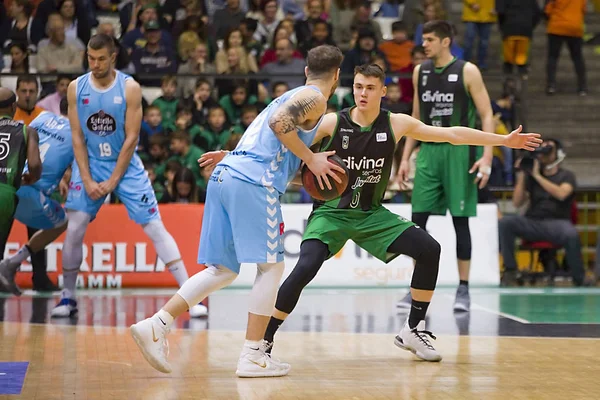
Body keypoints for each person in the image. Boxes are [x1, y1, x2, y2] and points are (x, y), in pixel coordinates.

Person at [198, 63, 541, 364]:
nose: (362, 93)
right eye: (358, 86)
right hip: (332, 213)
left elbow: (450, 134)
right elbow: (280, 147)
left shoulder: (397, 123)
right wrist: (233, 155)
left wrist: (500, 141)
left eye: (370, 88)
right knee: (304, 267)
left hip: (373, 215)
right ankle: (265, 339)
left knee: (430, 249)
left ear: (383, 91)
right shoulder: (333, 121)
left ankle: (411, 330)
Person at [129, 44, 346, 378]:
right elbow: (278, 124)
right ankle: (253, 354)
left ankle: (156, 325)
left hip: (227, 173)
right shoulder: (315, 97)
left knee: (223, 270)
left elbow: (268, 135)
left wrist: (232, 154)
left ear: (305, 69)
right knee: (272, 268)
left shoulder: (290, 94)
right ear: (337, 75)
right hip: (252, 181)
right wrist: (311, 158)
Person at [54, 34, 207, 319]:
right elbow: (76, 136)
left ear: (113, 58)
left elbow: (132, 138)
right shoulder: (77, 88)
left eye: (101, 59)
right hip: (90, 163)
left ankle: (188, 297)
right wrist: (87, 179)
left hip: (125, 167)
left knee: (154, 227)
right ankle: (67, 297)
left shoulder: (130, 88)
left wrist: (113, 180)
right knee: (74, 228)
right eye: (90, 58)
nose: (95, 64)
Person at [395, 20, 496, 313]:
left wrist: (487, 155)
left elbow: (487, 114)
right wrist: (405, 158)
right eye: (423, 39)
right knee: (417, 223)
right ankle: (415, 289)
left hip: (459, 152)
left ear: (445, 41)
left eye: (429, 39)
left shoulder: (467, 71)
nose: (423, 44)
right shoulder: (419, 72)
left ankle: (463, 289)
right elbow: (415, 116)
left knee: (460, 222)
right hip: (427, 153)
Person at [0, 99, 72, 295]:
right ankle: (11, 264)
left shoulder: (43, 116)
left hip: (10, 183)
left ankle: (8, 266)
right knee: (63, 222)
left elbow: (21, 142)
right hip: (33, 191)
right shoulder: (80, 135)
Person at [500, 139, 584, 286]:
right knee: (506, 223)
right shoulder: (530, 177)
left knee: (571, 234)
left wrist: (538, 176)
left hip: (557, 223)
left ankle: (579, 277)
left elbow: (561, 194)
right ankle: (511, 270)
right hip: (533, 222)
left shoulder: (566, 176)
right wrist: (522, 176)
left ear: (558, 154)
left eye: (548, 149)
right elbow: (516, 202)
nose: (543, 153)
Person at [0, 88, 42, 264]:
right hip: (6, 194)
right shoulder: (27, 131)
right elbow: (34, 164)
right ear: (13, 106)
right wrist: (33, 176)